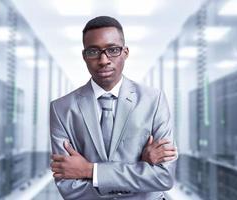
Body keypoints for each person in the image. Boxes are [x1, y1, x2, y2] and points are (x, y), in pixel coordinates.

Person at [50, 16, 177, 200]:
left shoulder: (154, 100)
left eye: (113, 50)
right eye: (93, 52)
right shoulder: (61, 108)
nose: (103, 60)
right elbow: (69, 188)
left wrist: (89, 170)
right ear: (84, 56)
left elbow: (164, 177)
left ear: (125, 52)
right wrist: (141, 169)